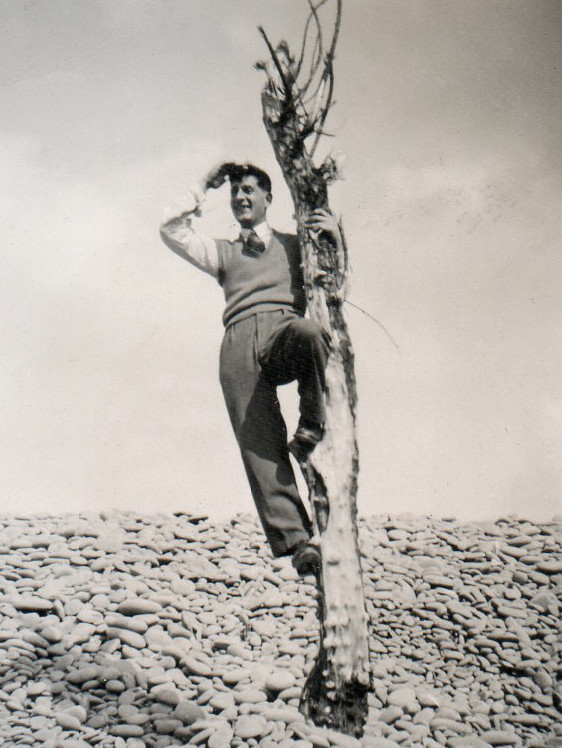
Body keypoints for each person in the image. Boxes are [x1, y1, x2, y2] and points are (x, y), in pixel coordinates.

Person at [160, 162, 343, 576]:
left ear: (268, 199)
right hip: (239, 340)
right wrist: (205, 181)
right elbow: (171, 229)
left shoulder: (296, 245)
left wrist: (333, 232)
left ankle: (310, 427)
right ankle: (297, 542)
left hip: (283, 329)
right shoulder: (224, 250)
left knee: (312, 333)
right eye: (235, 192)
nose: (241, 197)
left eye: (249, 191)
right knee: (258, 441)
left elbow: (336, 282)